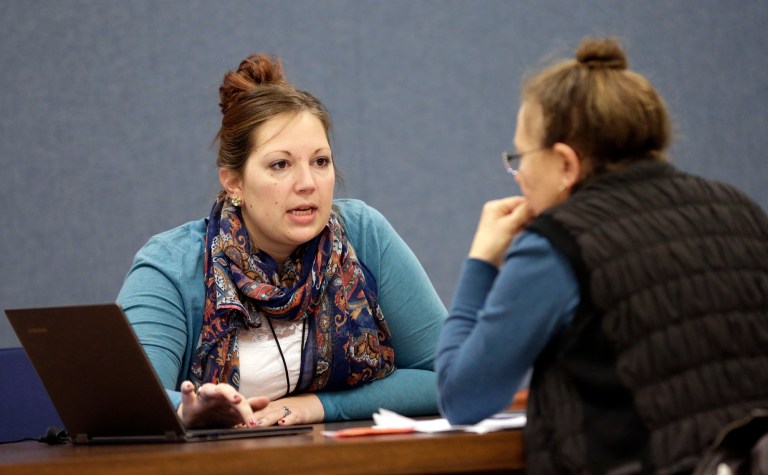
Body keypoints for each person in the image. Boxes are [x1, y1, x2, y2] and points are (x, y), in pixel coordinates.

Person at [435, 37, 768, 474]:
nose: (518, 175)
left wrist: (481, 261)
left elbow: (463, 395)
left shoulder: (558, 243)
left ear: (566, 165)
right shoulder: (741, 209)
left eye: (521, 157)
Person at [117, 52, 446, 430]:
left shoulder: (363, 235)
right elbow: (131, 398)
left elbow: (447, 375)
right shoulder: (172, 265)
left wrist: (316, 406)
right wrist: (185, 411)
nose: (308, 183)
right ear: (234, 182)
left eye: (320, 162)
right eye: (280, 164)